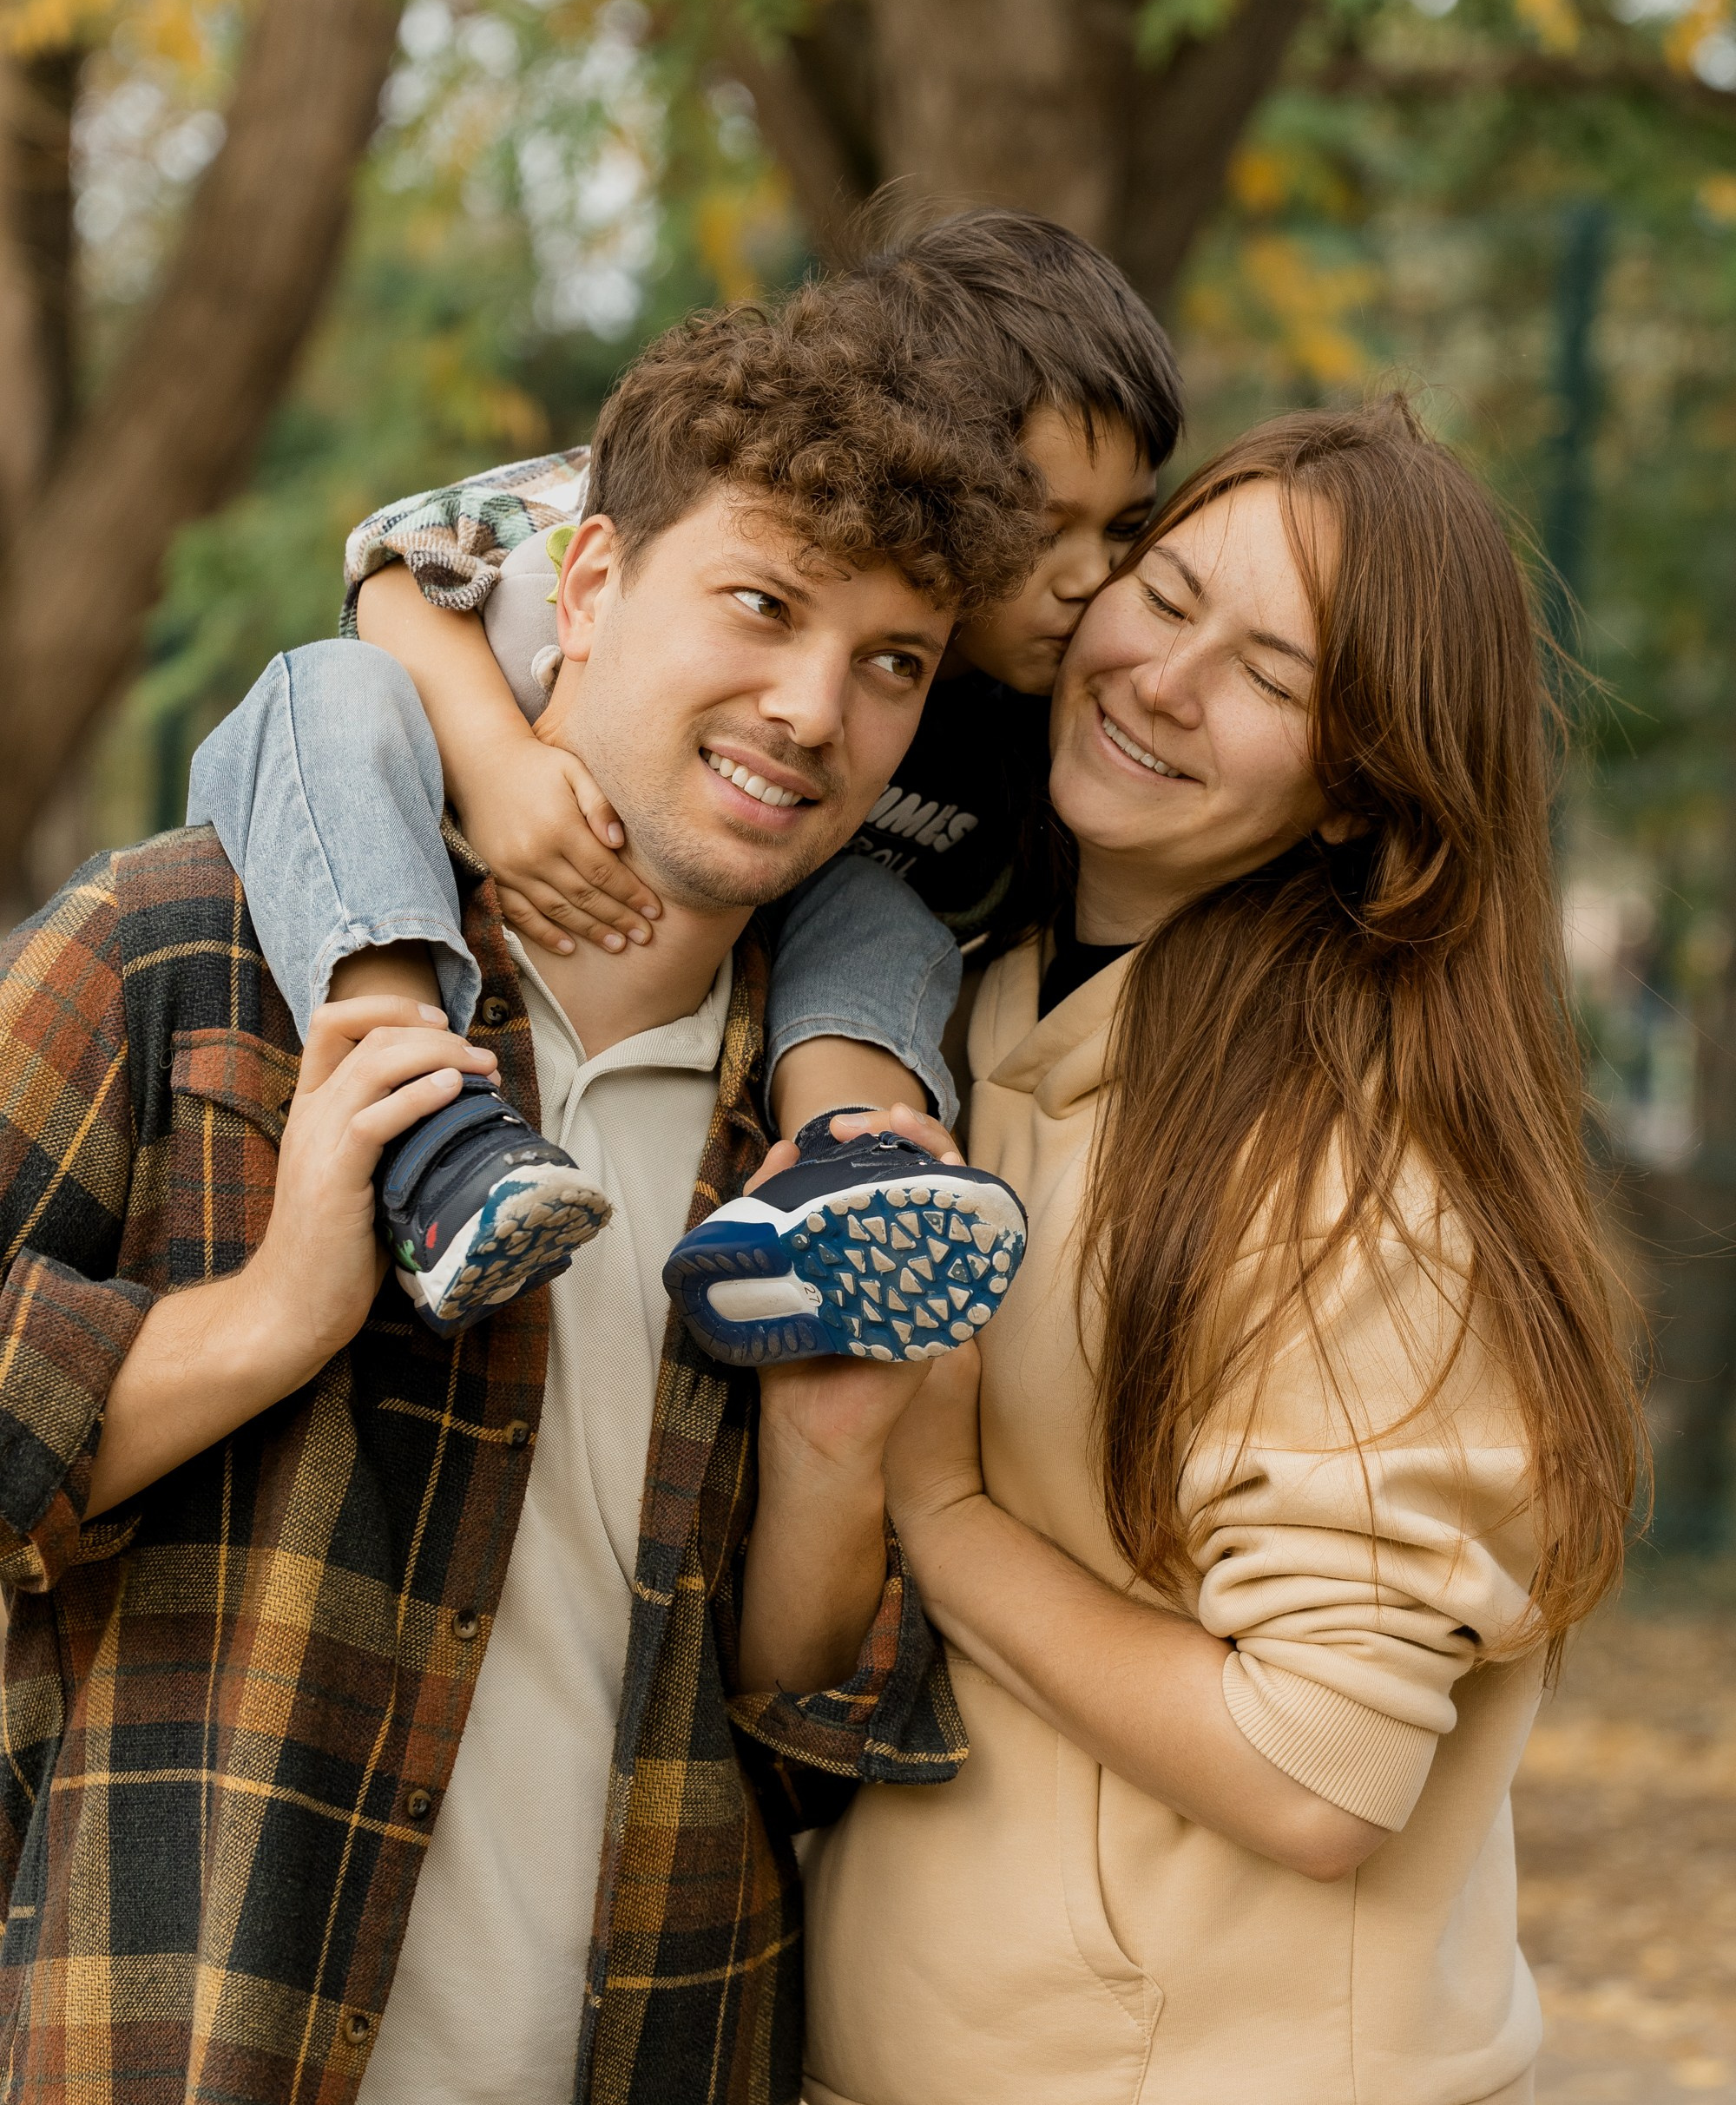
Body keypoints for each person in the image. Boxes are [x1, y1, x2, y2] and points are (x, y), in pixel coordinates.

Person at [0, 289, 1032, 2105]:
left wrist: (827, 1462)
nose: (816, 709)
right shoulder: (187, 960)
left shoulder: (848, 1146)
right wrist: (273, 1316)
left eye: (890, 662)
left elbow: (798, 1719)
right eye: (762, 606)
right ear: (586, 581)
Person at [793, 400, 1642, 2105]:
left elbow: (1313, 1774)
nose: (1159, 679)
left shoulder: (1348, 1172)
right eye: (1159, 594)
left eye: (1265, 670)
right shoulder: (943, 1004)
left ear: (1359, 781)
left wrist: (937, 1515)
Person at [201, 211, 1180, 1350]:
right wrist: (502, 764)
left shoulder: (1030, 724)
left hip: (735, 939)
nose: (1090, 579)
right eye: (1047, 527)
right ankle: (422, 1124)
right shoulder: (723, 489)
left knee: (879, 910)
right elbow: (392, 567)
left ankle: (840, 1177)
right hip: (423, 839)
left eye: (1124, 532)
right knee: (331, 690)